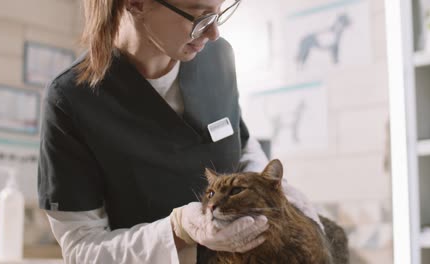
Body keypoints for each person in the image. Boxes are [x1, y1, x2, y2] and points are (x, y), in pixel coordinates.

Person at [37, 0, 323, 263]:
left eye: (219, 13)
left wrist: (277, 193)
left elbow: (240, 143)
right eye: (199, 16)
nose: (214, 33)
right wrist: (178, 230)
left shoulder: (218, 58)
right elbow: (82, 250)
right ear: (135, 4)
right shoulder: (71, 100)